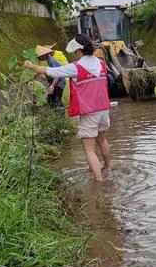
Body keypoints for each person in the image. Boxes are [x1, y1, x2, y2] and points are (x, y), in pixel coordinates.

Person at [25, 35, 112, 182]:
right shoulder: (101, 63)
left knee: (89, 150)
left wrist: (32, 66)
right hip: (104, 110)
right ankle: (109, 167)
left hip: (90, 112)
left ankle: (99, 183)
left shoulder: (77, 67)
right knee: (102, 140)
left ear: (79, 50)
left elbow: (54, 72)